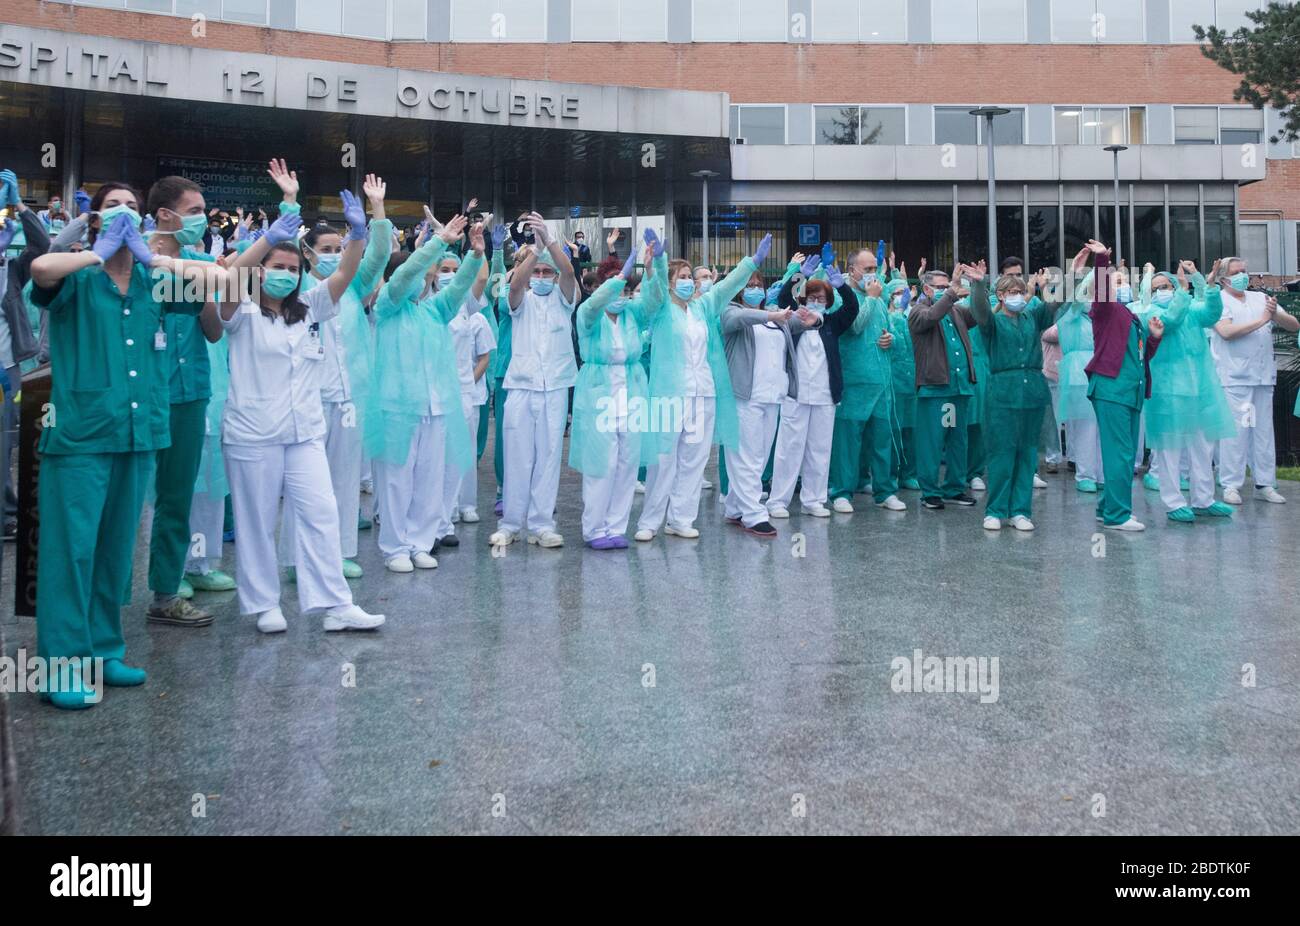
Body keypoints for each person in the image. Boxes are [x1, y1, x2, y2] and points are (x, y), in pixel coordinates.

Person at [28, 182, 211, 707]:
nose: (125, 213)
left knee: (113, 552)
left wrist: (153, 256)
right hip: (81, 436)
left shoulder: (154, 280)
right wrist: (95, 251)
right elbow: (39, 272)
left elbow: (220, 283)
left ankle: (104, 650)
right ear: (94, 220)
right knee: (71, 552)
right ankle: (60, 665)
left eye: (133, 207)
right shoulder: (76, 276)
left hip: (139, 433)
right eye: (113, 207)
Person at [218, 192, 385, 633]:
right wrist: (268, 236)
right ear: (260, 270)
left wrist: (359, 233)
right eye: (278, 267)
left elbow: (347, 273)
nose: (287, 275)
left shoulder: (310, 307)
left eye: (293, 269)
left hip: (304, 432)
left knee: (321, 512)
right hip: (253, 434)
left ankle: (334, 604)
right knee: (256, 521)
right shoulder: (242, 311)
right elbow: (229, 280)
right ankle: (263, 603)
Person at [278, 173, 392, 578]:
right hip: (309, 398)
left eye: (338, 248)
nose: (332, 254)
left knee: (344, 480)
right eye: (325, 249)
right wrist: (288, 202)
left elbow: (378, 255)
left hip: (349, 397)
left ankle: (340, 553)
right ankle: (294, 557)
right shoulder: (297, 287)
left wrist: (375, 212)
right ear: (308, 254)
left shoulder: (354, 284)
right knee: (304, 483)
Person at [634, 234, 772, 541]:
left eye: (689, 277)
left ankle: (681, 519)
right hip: (669, 396)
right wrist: (656, 261)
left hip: (703, 394)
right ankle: (650, 521)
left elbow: (727, 286)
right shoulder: (660, 310)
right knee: (663, 461)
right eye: (682, 277)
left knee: (693, 461)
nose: (688, 281)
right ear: (670, 283)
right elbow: (653, 291)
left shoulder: (702, 308)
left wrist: (753, 262)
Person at [367, 214, 480, 571]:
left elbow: (458, 290)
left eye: (427, 277)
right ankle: (395, 548)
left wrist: (476, 255)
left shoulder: (431, 312)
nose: (425, 281)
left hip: (434, 409)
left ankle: (420, 542)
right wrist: (438, 241)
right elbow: (402, 278)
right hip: (397, 410)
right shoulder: (387, 305)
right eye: (423, 275)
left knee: (429, 481)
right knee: (397, 481)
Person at [141, 175, 225, 626]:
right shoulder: (132, 257)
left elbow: (213, 332)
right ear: (165, 215)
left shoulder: (198, 261)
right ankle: (103, 596)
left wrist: (203, 294)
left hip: (190, 392)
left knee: (177, 497)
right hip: (140, 393)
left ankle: (166, 594)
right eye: (194, 211)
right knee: (124, 494)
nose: (202, 219)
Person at [570, 232, 665, 547]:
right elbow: (596, 301)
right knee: (603, 463)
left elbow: (654, 300)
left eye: (626, 288)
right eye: (616, 287)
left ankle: (615, 527)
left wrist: (652, 268)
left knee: (627, 462)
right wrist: (619, 274)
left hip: (632, 393)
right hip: (600, 396)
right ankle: (594, 528)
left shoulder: (631, 315)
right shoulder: (588, 315)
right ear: (599, 286)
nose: (622, 293)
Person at [490, 213, 579, 549]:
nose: (541, 276)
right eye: (537, 273)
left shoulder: (564, 301)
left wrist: (550, 242)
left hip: (555, 387)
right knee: (517, 456)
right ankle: (511, 524)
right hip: (520, 388)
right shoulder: (518, 301)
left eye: (546, 273)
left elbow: (568, 271)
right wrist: (535, 252)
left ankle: (542, 524)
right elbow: (514, 285)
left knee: (548, 455)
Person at [1140, 261, 1237, 522]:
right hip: (1167, 391)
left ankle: (1204, 499)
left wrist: (1207, 283)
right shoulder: (1149, 313)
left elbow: (1212, 313)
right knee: (1170, 449)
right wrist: (1182, 292)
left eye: (1167, 285)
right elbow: (1169, 322)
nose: (1164, 290)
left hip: (1200, 388)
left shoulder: (1191, 309)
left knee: (1202, 445)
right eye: (1158, 287)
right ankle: (1173, 502)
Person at [1082, 239, 1164, 532]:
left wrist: (1153, 338)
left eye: (1124, 280)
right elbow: (1103, 293)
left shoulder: (1129, 315)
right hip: (1112, 390)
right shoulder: (1104, 310)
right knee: (1120, 453)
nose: (1123, 284)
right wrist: (1102, 259)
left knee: (1125, 454)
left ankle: (1107, 508)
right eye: (1117, 280)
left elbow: (1138, 358)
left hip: (1129, 391)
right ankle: (1117, 515)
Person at [768, 262, 860, 518]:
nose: (815, 301)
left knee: (819, 450)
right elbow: (785, 296)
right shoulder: (795, 320)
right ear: (804, 299)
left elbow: (852, 308)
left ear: (828, 302)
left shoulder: (832, 323)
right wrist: (802, 274)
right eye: (811, 297)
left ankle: (814, 500)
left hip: (825, 395)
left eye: (820, 298)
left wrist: (842, 286)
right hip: (795, 395)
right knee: (789, 448)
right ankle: (777, 501)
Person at [966, 263, 1054, 531]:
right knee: (1002, 452)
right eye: (1011, 291)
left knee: (1027, 454)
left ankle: (1020, 511)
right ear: (1001, 296)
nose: (1017, 295)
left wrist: (1072, 272)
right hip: (1003, 392)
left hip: (1032, 391)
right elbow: (979, 311)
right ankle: (995, 509)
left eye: (1020, 290)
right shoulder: (992, 323)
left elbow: (1055, 304)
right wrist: (979, 284)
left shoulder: (1032, 318)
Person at [1210, 257, 1298, 505]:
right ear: (1224, 278)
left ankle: (1265, 483)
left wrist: (1275, 315)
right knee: (1236, 432)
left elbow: (1293, 325)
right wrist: (1262, 320)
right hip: (1234, 377)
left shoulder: (1260, 299)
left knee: (1263, 433)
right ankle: (1231, 484)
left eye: (1245, 271)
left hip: (1262, 377)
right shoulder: (1218, 300)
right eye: (1237, 272)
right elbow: (1226, 332)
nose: (1243, 276)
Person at [720, 265, 797, 537]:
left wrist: (813, 318)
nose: (755, 289)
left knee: (760, 456)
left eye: (758, 284)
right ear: (738, 289)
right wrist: (772, 313)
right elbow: (739, 320)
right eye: (748, 285)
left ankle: (734, 507)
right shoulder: (729, 311)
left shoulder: (773, 317)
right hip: (745, 395)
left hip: (772, 394)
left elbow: (795, 321)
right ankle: (753, 513)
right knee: (746, 457)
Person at [829, 247, 906, 514]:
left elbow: (893, 331)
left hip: (881, 382)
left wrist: (891, 339)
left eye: (876, 268)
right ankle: (841, 492)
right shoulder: (842, 297)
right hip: (854, 381)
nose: (874, 274)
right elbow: (855, 326)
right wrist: (871, 299)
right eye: (868, 269)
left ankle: (885, 491)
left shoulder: (882, 298)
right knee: (848, 442)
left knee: (882, 440)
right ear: (852, 271)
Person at [907, 268, 979, 510]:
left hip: (959, 388)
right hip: (935, 388)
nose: (945, 290)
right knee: (932, 441)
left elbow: (979, 314)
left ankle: (954, 488)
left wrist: (979, 286)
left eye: (947, 286)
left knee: (958, 440)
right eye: (940, 287)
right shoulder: (918, 311)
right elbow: (930, 318)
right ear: (927, 289)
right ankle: (929, 491)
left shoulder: (956, 311)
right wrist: (951, 293)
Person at [446, 243, 498, 526]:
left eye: (455, 271)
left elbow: (482, 279)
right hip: (438, 393)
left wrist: (483, 248)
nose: (450, 275)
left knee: (465, 451)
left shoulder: (470, 309)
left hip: (467, 391)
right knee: (441, 454)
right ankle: (446, 509)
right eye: (444, 270)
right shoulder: (430, 304)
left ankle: (466, 504)